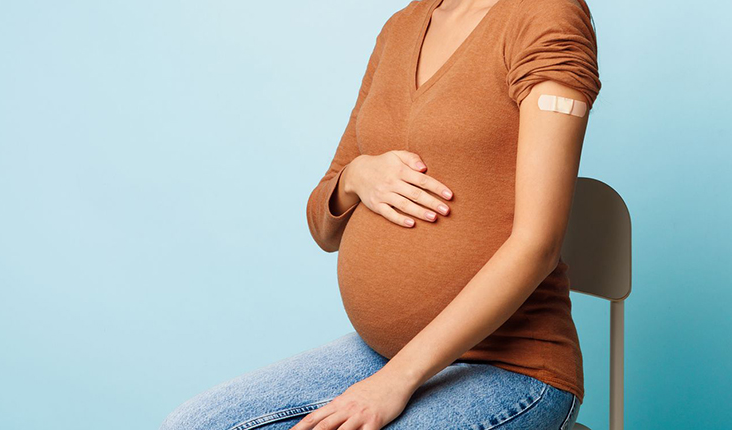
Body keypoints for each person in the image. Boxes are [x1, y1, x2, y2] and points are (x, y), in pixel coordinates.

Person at [160, 0, 601, 428]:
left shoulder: (546, 14)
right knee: (192, 424)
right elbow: (322, 226)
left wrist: (394, 382)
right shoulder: (402, 26)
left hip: (510, 368)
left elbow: (538, 244)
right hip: (380, 353)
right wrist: (356, 175)